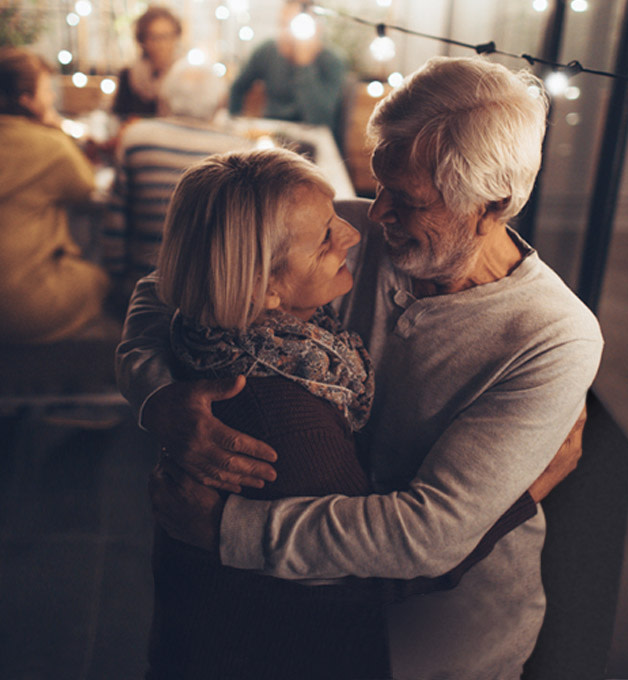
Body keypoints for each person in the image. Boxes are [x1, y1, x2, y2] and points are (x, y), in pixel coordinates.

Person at [118, 56, 603, 678]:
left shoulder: (555, 336)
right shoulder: (344, 233)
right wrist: (155, 394)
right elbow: (167, 286)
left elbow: (432, 533)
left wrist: (227, 529)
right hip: (288, 620)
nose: (372, 217)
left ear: (493, 203)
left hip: (442, 635)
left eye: (405, 199)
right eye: (379, 186)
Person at [145, 147, 541, 679]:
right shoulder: (286, 416)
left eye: (335, 216)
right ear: (265, 289)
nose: (354, 234)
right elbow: (370, 576)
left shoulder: (209, 331)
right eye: (325, 239)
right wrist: (526, 490)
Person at [104, 59, 249, 307]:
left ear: (166, 97)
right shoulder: (238, 151)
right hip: (212, 292)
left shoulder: (135, 138)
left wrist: (117, 282)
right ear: (217, 104)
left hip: (143, 285)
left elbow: (115, 220)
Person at [0, 47, 109, 344]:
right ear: (26, 100)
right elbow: (87, 187)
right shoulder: (48, 145)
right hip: (21, 302)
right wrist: (56, 128)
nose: (51, 98)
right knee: (100, 281)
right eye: (46, 89)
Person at [228, 0, 346, 135]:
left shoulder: (333, 61)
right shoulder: (267, 51)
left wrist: (304, 65)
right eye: (283, 24)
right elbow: (237, 88)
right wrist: (235, 124)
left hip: (311, 137)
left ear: (317, 28)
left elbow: (319, 119)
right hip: (270, 131)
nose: (287, 33)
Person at [112, 6, 181, 118]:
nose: (161, 44)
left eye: (166, 36)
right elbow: (118, 117)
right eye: (154, 37)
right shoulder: (129, 76)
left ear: (176, 37)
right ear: (143, 40)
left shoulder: (185, 77)